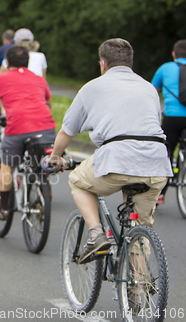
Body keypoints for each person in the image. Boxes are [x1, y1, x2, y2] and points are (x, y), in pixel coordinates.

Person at [47, 38, 172, 264]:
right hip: (156, 164)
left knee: (77, 180)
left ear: (102, 63)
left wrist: (55, 157)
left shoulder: (92, 87)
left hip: (116, 160)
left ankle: (96, 234)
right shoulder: (149, 89)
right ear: (130, 62)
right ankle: (138, 293)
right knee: (140, 230)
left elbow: (66, 132)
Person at [0, 45, 56, 220]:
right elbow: (48, 104)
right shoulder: (39, 79)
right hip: (46, 128)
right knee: (40, 162)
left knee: (7, 164)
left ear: (7, 62)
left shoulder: (1, 79)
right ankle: (42, 192)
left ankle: (3, 208)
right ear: (27, 62)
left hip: (18, 128)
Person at [151, 39, 186, 204]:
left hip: (173, 117)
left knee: (165, 153)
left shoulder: (165, 68)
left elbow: (153, 92)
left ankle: (160, 194)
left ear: (174, 54)